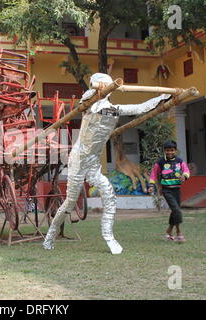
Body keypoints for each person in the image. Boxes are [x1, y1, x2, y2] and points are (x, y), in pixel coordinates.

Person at [43, 73, 172, 254]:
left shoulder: (113, 109)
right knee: (70, 202)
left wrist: (162, 98)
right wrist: (97, 87)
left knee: (110, 197)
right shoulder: (89, 104)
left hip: (93, 162)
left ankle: (109, 237)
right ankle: (50, 235)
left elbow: (139, 108)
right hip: (78, 160)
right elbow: (85, 98)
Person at [148, 140, 190, 243]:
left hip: (177, 189)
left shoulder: (180, 161)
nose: (169, 152)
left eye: (172, 150)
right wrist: (151, 185)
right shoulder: (160, 162)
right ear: (164, 151)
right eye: (167, 150)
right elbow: (154, 173)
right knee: (177, 210)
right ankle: (179, 233)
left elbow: (186, 171)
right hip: (166, 190)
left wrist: (184, 176)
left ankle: (169, 231)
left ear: (175, 150)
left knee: (175, 211)